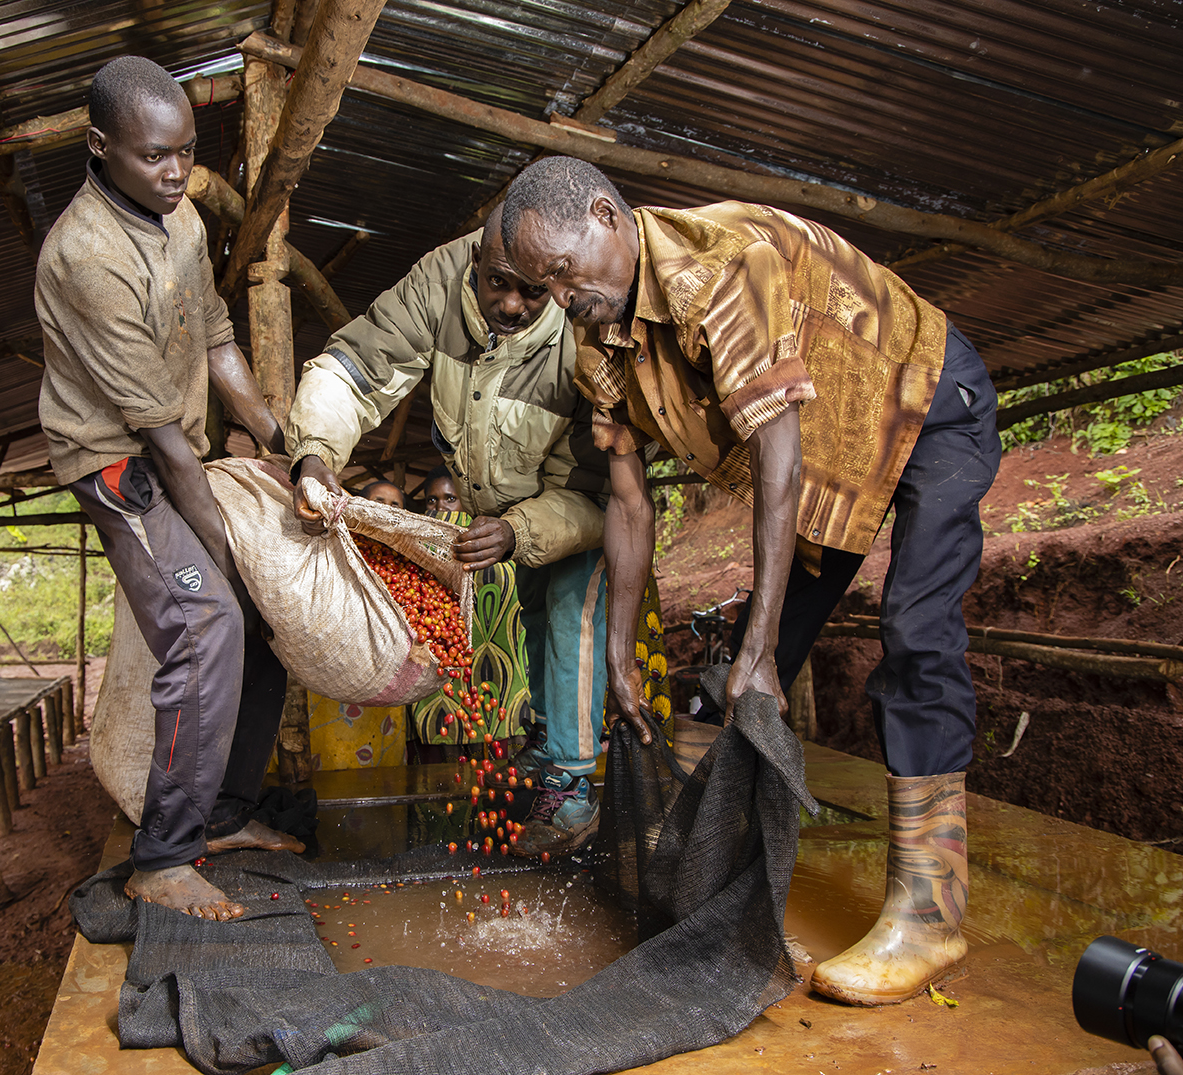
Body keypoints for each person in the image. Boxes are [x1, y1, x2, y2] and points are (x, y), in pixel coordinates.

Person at [501, 156, 1000, 1005]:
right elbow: (627, 502)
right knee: (731, 678)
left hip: (925, 402)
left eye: (559, 271)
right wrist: (618, 654)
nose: (555, 296)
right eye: (537, 284)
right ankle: (703, 869)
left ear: (605, 216)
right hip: (831, 459)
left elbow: (777, 453)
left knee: (914, 630)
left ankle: (930, 911)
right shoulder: (596, 337)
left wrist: (762, 648)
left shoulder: (719, 268)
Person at [36, 56, 304, 922]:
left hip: (174, 446)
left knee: (264, 616)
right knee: (208, 618)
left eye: (187, 151)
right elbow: (159, 445)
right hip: (116, 467)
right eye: (154, 156)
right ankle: (160, 856)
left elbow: (217, 338)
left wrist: (278, 437)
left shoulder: (180, 215)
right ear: (99, 146)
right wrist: (228, 560)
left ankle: (221, 813)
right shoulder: (85, 255)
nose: (176, 171)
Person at [285, 206, 626, 857]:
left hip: (572, 509)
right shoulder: (437, 282)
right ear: (475, 257)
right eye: (497, 282)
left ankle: (574, 787)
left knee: (567, 617)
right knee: (531, 612)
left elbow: (593, 492)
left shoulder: (584, 319)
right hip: (500, 504)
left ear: (558, 281)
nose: (512, 304)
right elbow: (354, 366)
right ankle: (551, 747)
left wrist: (517, 529)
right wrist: (314, 453)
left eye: (533, 292)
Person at [408, 466, 532, 761]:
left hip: (502, 683)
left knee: (504, 775)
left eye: (450, 500)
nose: (440, 508)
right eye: (431, 501)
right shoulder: (417, 550)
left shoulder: (503, 550)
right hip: (442, 689)